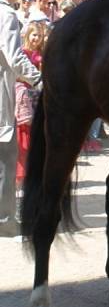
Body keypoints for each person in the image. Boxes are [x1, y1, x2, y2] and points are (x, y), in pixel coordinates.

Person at [0, 0, 41, 237]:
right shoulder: (6, 15)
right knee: (5, 158)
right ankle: (4, 222)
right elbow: (15, 58)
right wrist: (39, 79)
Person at [14, 21, 48, 215]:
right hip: (21, 108)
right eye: (34, 35)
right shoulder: (23, 55)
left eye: (39, 35)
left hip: (34, 107)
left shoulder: (40, 56)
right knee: (22, 153)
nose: (36, 39)